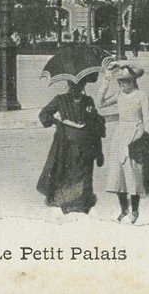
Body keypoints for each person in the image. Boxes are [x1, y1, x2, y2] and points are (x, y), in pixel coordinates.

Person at [37, 72, 106, 214]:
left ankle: (83, 202)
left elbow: (94, 119)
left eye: (80, 85)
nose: (77, 88)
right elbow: (44, 115)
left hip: (86, 145)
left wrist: (96, 119)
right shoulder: (60, 100)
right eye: (74, 85)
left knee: (85, 173)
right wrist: (57, 122)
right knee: (68, 172)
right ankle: (68, 202)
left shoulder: (88, 101)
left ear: (84, 85)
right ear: (69, 85)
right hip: (66, 144)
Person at [98, 61, 149, 224]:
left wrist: (146, 135)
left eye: (127, 80)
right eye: (121, 81)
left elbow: (147, 116)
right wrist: (107, 77)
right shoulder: (119, 95)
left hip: (136, 133)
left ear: (133, 80)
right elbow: (100, 103)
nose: (124, 84)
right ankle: (123, 209)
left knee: (133, 173)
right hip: (120, 134)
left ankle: (135, 210)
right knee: (118, 172)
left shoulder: (141, 95)